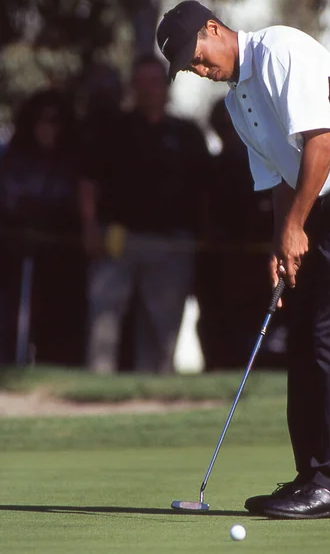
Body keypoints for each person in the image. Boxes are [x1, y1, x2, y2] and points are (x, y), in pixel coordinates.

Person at [156, 1, 330, 519]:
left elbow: (322, 142)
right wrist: (282, 238)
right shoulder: (236, 102)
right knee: (305, 335)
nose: (200, 69)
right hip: (324, 201)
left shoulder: (279, 48)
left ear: (214, 28)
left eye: (198, 55)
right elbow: (277, 178)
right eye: (189, 68)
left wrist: (297, 225)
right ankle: (310, 477)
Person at [79, 54, 210, 374]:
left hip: (172, 244)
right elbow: (87, 181)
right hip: (118, 239)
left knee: (161, 330)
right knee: (104, 322)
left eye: (155, 82)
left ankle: (153, 398)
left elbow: (205, 189)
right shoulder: (113, 129)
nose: (149, 90)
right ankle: (96, 390)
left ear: (166, 88)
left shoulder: (187, 134)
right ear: (132, 88)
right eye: (142, 82)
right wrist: (89, 227)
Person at [0, 89, 84, 366]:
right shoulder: (12, 159)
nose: (49, 128)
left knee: (55, 325)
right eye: (44, 120)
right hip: (14, 259)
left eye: (56, 121)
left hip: (59, 261)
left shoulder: (71, 164)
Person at [195, 98, 276, 370]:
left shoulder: (265, 164)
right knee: (219, 328)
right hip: (220, 268)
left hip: (257, 267)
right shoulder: (211, 168)